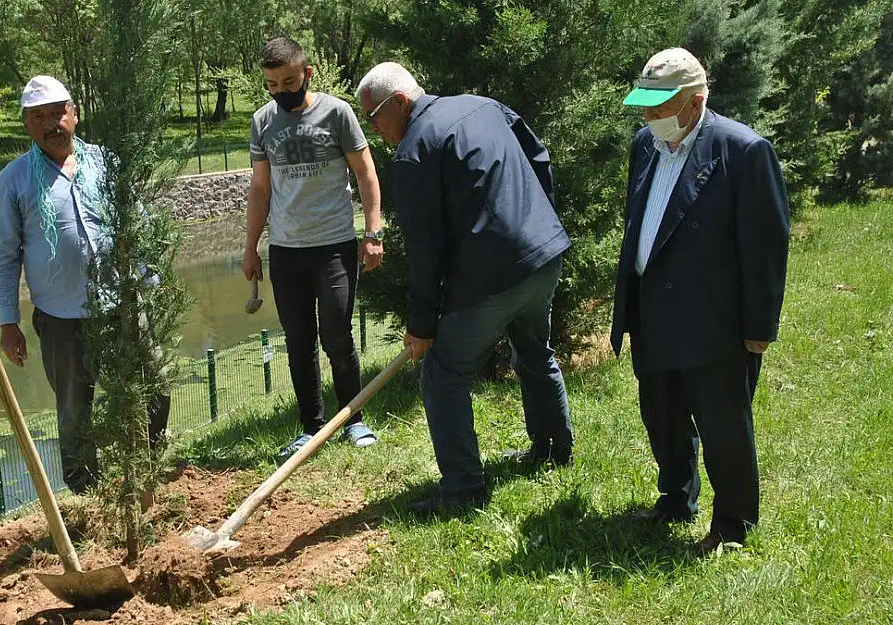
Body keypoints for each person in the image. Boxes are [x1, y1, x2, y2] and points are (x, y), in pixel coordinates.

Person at [356, 62, 575, 515]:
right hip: (544, 256)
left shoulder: (415, 151)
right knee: (535, 353)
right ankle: (554, 452)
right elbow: (540, 158)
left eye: (374, 118)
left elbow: (424, 248)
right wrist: (541, 224)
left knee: (442, 375)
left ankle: (463, 488)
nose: (376, 132)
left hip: (492, 280)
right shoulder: (483, 107)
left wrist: (422, 325)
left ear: (399, 102)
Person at [612, 48, 790, 553]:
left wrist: (759, 326)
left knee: (722, 424)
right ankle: (675, 499)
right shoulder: (645, 145)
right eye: (644, 105)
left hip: (714, 320)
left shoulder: (744, 151)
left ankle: (733, 525)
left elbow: (766, 246)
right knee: (662, 415)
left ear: (696, 100)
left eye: (660, 104)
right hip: (652, 309)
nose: (649, 115)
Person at [0, 75, 170, 495]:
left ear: (73, 114)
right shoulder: (14, 179)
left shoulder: (106, 163)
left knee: (154, 384)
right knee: (74, 409)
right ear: (27, 124)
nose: (52, 124)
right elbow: (3, 255)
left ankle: (145, 468)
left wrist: (152, 282)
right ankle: (86, 490)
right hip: (60, 317)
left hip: (123, 303)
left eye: (57, 113)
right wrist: (7, 321)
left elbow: (136, 226)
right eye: (39, 117)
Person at [242, 38, 384, 458]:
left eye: (288, 80)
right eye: (272, 83)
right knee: (299, 340)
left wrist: (373, 232)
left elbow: (366, 174)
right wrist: (250, 248)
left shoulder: (337, 113)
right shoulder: (262, 122)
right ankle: (312, 428)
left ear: (307, 74)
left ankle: (354, 421)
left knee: (337, 335)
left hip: (334, 246)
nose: (281, 90)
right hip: (286, 251)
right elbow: (260, 189)